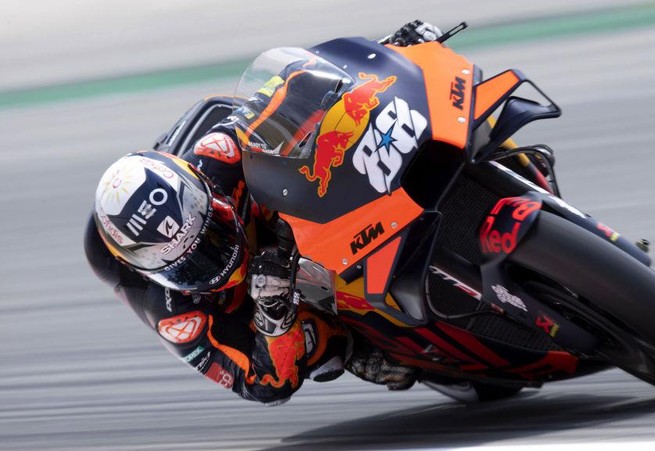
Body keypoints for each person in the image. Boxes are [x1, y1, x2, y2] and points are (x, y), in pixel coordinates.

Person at [84, 21, 445, 406]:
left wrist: (389, 52)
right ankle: (355, 347)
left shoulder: (217, 156)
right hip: (253, 302)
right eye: (188, 265)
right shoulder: (175, 314)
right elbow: (261, 387)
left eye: (211, 234)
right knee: (324, 356)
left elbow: (299, 83)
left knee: (308, 139)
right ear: (154, 273)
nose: (215, 260)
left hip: (260, 203)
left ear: (210, 195)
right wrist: (274, 317)